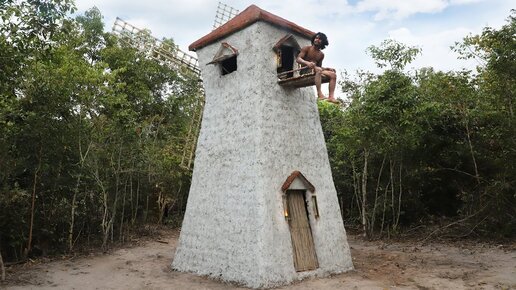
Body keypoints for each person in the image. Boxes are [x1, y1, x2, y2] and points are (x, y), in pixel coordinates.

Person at [296, 32, 338, 103]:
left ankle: (331, 97)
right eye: (316, 38)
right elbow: (298, 59)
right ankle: (319, 93)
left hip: (316, 70)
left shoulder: (321, 54)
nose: (317, 40)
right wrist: (307, 63)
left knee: (333, 75)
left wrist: (327, 68)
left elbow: (319, 67)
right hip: (305, 70)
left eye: (320, 39)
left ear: (323, 42)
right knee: (318, 70)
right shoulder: (307, 48)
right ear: (313, 39)